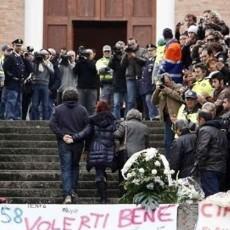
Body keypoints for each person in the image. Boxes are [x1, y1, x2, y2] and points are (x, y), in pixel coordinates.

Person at [71, 101, 116, 204]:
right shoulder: (113, 120)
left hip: (96, 149)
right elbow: (116, 133)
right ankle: (104, 193)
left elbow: (85, 133)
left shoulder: (93, 120)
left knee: (99, 172)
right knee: (103, 170)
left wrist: (73, 137)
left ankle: (103, 197)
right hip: (109, 150)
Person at [49, 88, 89, 204]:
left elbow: (52, 124)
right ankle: (72, 190)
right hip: (77, 143)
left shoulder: (58, 109)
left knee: (66, 167)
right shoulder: (82, 110)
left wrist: (63, 135)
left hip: (64, 142)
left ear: (64, 97)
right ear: (77, 97)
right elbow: (88, 127)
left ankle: (67, 194)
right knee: (75, 166)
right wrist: (76, 137)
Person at [193, 110, 228, 197]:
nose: (197, 122)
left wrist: (197, 165)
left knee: (212, 197)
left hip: (209, 168)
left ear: (201, 119)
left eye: (198, 119)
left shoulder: (204, 130)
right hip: (220, 168)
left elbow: (202, 149)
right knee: (216, 195)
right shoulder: (220, 131)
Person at [152, 73, 183, 158]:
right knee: (167, 142)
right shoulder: (161, 90)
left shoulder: (178, 86)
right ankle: (169, 159)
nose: (166, 84)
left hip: (176, 118)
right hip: (166, 119)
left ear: (171, 80)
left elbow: (180, 97)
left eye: (167, 82)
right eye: (164, 82)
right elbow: (154, 101)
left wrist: (166, 89)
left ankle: (176, 159)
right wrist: (157, 90)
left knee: (176, 141)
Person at [3, 39, 26, 120]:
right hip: (12, 83)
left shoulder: (20, 57)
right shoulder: (11, 56)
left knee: (18, 101)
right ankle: (10, 117)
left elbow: (24, 69)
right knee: (12, 100)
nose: (19, 47)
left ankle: (16, 116)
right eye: (17, 46)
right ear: (13, 46)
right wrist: (12, 77)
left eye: (20, 46)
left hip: (19, 83)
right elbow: (6, 68)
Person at [74, 48, 99, 115]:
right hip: (81, 88)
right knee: (80, 107)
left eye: (89, 54)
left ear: (93, 55)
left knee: (92, 107)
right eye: (86, 54)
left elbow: (94, 70)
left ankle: (91, 123)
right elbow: (75, 71)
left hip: (92, 88)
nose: (87, 55)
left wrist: (87, 60)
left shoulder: (95, 62)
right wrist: (78, 61)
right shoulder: (80, 62)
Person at [31, 49, 54, 120]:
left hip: (45, 85)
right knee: (34, 105)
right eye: (42, 55)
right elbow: (33, 71)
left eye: (45, 54)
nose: (44, 56)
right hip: (36, 85)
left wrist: (45, 63)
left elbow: (52, 72)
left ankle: (45, 121)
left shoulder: (49, 63)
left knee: (45, 105)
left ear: (48, 55)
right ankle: (35, 120)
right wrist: (35, 61)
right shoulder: (35, 63)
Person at [108, 41, 127, 120]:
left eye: (121, 48)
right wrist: (114, 55)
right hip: (117, 83)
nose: (119, 50)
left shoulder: (127, 56)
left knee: (129, 103)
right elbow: (110, 66)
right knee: (116, 104)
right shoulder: (114, 58)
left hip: (126, 82)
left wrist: (125, 54)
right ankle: (117, 119)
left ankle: (127, 118)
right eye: (118, 48)